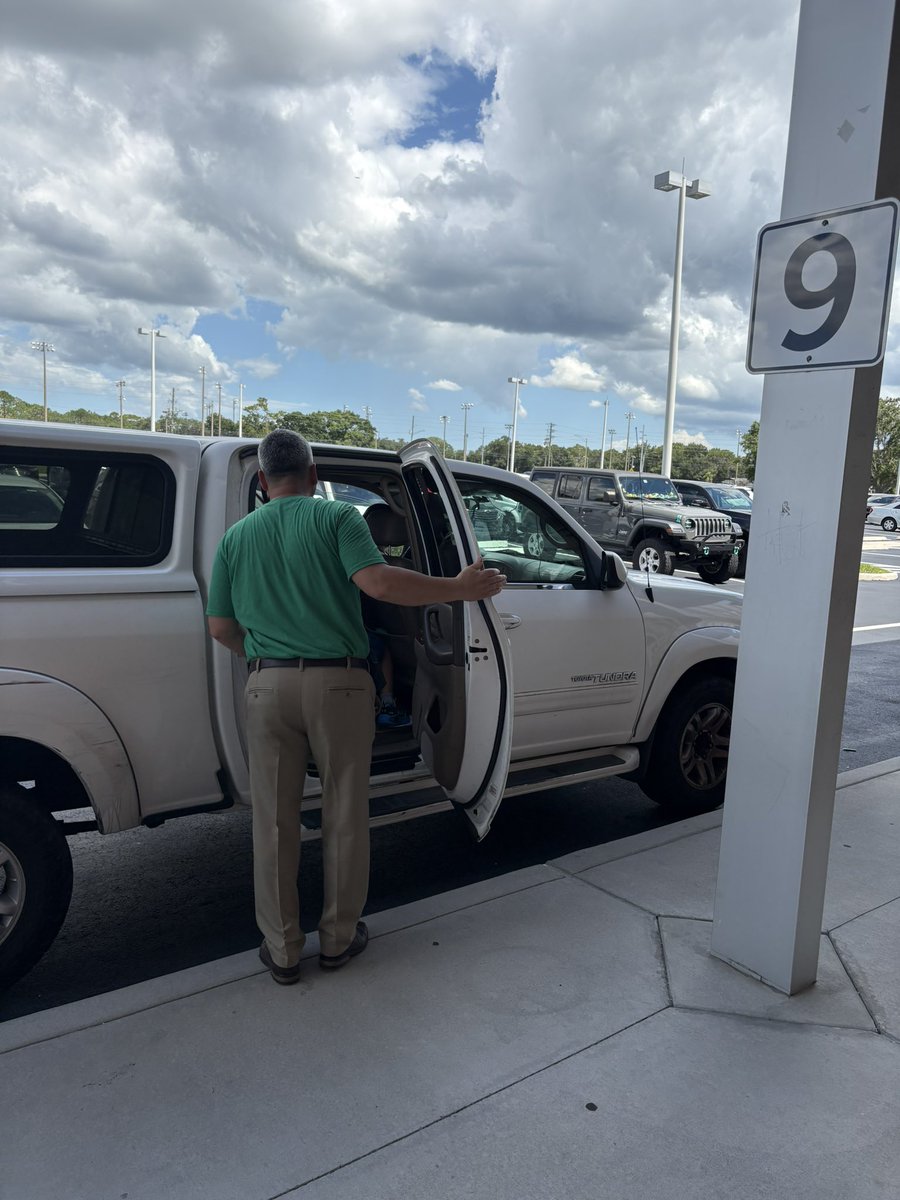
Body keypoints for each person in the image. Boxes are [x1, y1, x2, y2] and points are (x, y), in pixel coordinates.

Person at [206, 429, 506, 985]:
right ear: (315, 474)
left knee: (274, 821)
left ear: (264, 481)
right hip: (338, 686)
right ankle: (339, 939)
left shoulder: (236, 538)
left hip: (266, 686)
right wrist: (460, 588)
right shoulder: (338, 520)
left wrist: (265, 654)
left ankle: (282, 950)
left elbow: (221, 627)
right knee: (344, 813)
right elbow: (379, 584)